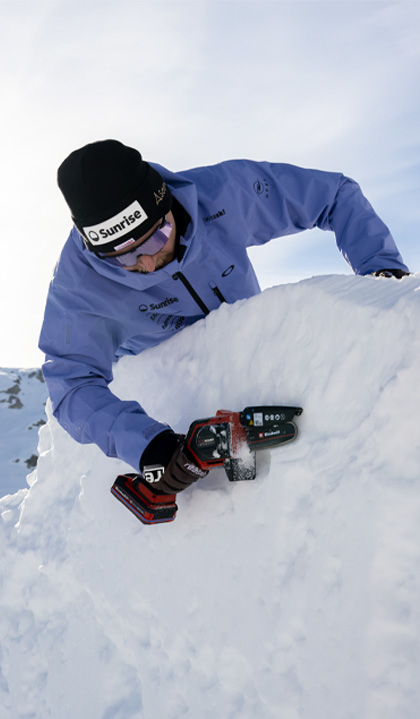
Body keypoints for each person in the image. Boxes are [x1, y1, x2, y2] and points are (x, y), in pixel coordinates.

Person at [39, 139, 410, 494]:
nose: (147, 263)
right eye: (124, 256)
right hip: (170, 387)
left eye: (154, 239)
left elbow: (334, 195)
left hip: (253, 352)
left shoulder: (221, 195)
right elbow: (70, 383)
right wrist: (147, 445)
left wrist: (381, 273)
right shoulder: (79, 288)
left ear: (166, 203)